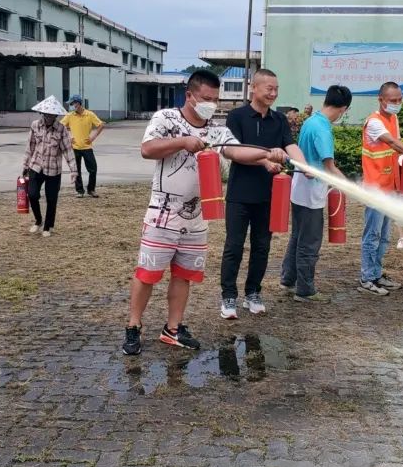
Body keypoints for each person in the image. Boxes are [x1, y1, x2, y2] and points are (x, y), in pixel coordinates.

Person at [121, 70, 285, 356]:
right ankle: (134, 326)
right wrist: (182, 141)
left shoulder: (217, 131)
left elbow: (236, 152)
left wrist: (266, 154)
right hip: (162, 216)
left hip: (197, 219)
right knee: (148, 274)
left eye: (215, 99)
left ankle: (173, 328)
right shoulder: (166, 118)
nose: (211, 104)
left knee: (183, 275)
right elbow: (147, 149)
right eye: (206, 98)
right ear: (190, 96)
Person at [219, 69, 306, 320]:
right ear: (253, 88)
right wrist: (266, 159)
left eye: (276, 89)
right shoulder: (237, 117)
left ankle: (253, 293)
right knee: (234, 246)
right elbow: (237, 152)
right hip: (239, 194)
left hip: (268, 195)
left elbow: (290, 146)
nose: (273, 93)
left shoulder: (279, 120)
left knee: (261, 247)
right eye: (269, 88)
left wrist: (304, 166)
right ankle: (228, 296)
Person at [280, 85, 353, 303]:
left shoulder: (311, 121)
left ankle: (288, 279)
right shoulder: (323, 129)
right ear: (343, 109)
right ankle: (305, 290)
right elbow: (329, 167)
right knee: (309, 242)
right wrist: (350, 185)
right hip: (311, 193)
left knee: (297, 236)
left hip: (299, 189)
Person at [359, 82, 403, 295]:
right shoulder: (374, 122)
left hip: (389, 187)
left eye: (400, 99)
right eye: (393, 100)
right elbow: (392, 143)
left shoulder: (393, 119)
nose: (397, 103)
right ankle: (366, 278)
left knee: (384, 236)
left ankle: (376, 274)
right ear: (380, 99)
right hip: (375, 189)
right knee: (372, 235)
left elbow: (397, 147)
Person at [22, 96, 77, 237]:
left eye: (52, 115)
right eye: (46, 114)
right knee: (32, 195)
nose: (48, 117)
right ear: (42, 113)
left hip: (53, 169)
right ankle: (38, 220)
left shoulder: (61, 129)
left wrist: (74, 170)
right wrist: (25, 165)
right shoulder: (35, 125)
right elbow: (30, 146)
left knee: (51, 199)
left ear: (56, 116)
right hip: (36, 166)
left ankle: (47, 226)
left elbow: (67, 150)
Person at [61, 94, 104, 199]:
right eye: (71, 104)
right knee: (76, 170)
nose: (72, 106)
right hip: (75, 147)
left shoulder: (89, 115)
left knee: (93, 169)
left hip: (87, 147)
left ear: (79, 103)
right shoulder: (70, 116)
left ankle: (91, 189)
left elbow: (100, 125)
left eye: (73, 104)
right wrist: (68, 137)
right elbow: (60, 126)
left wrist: (93, 137)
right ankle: (79, 190)